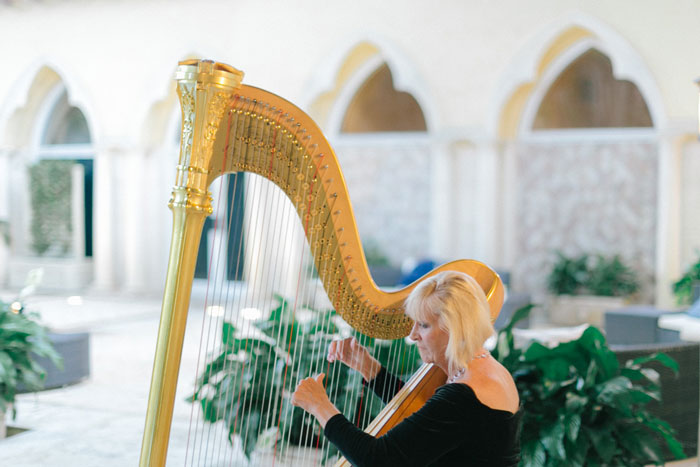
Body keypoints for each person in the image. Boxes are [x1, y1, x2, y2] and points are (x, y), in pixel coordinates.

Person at [291, 270, 522, 466]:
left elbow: (378, 460)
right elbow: (429, 420)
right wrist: (370, 369)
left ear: (454, 329)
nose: (412, 336)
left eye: (423, 325)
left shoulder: (466, 394)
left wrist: (319, 406)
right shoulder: (481, 370)